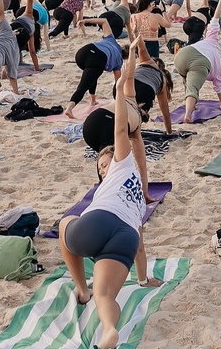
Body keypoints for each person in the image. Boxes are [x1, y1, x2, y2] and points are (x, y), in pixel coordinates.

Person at [57, 40, 164, 348]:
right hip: (127, 236)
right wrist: (143, 279)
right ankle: (109, 330)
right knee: (107, 295)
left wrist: (117, 93)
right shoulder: (134, 179)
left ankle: (81, 288)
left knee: (66, 224)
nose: (104, 165)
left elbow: (120, 132)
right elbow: (141, 247)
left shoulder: (120, 162)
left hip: (101, 222)